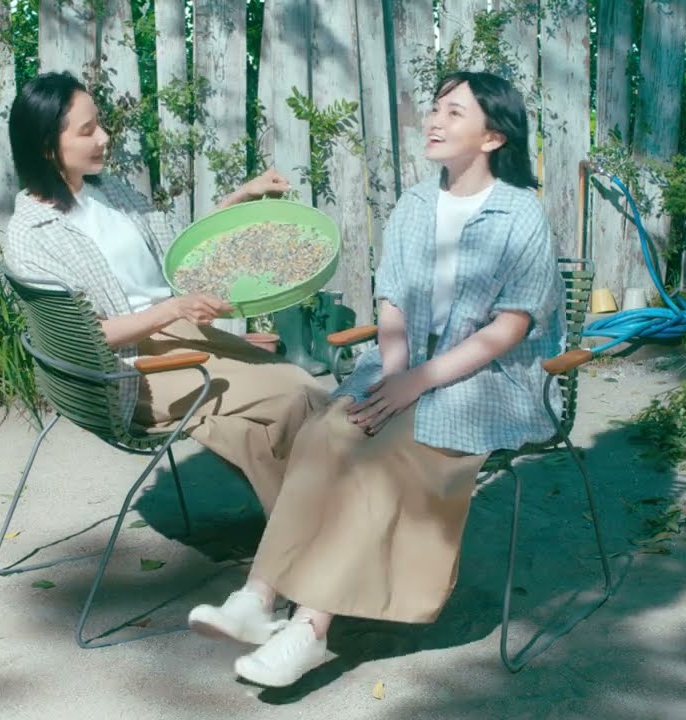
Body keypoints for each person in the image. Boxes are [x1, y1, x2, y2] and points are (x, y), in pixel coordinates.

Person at [186, 70, 566, 688]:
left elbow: (509, 329)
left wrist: (415, 385)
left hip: (487, 380)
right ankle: (258, 597)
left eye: (454, 112)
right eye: (436, 108)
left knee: (381, 452)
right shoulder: (415, 204)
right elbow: (391, 303)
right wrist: (393, 376)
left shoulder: (520, 214)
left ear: (493, 137)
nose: (435, 121)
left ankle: (309, 629)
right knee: (325, 432)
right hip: (403, 366)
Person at [1, 71, 329, 514]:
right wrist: (172, 309)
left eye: (99, 124)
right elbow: (88, 337)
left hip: (178, 336)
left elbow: (181, 252)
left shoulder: (108, 191)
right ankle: (315, 529)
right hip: (129, 370)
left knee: (262, 422)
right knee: (298, 393)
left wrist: (240, 197)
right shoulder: (32, 234)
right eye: (87, 130)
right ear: (46, 147)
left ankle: (305, 530)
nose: (104, 137)